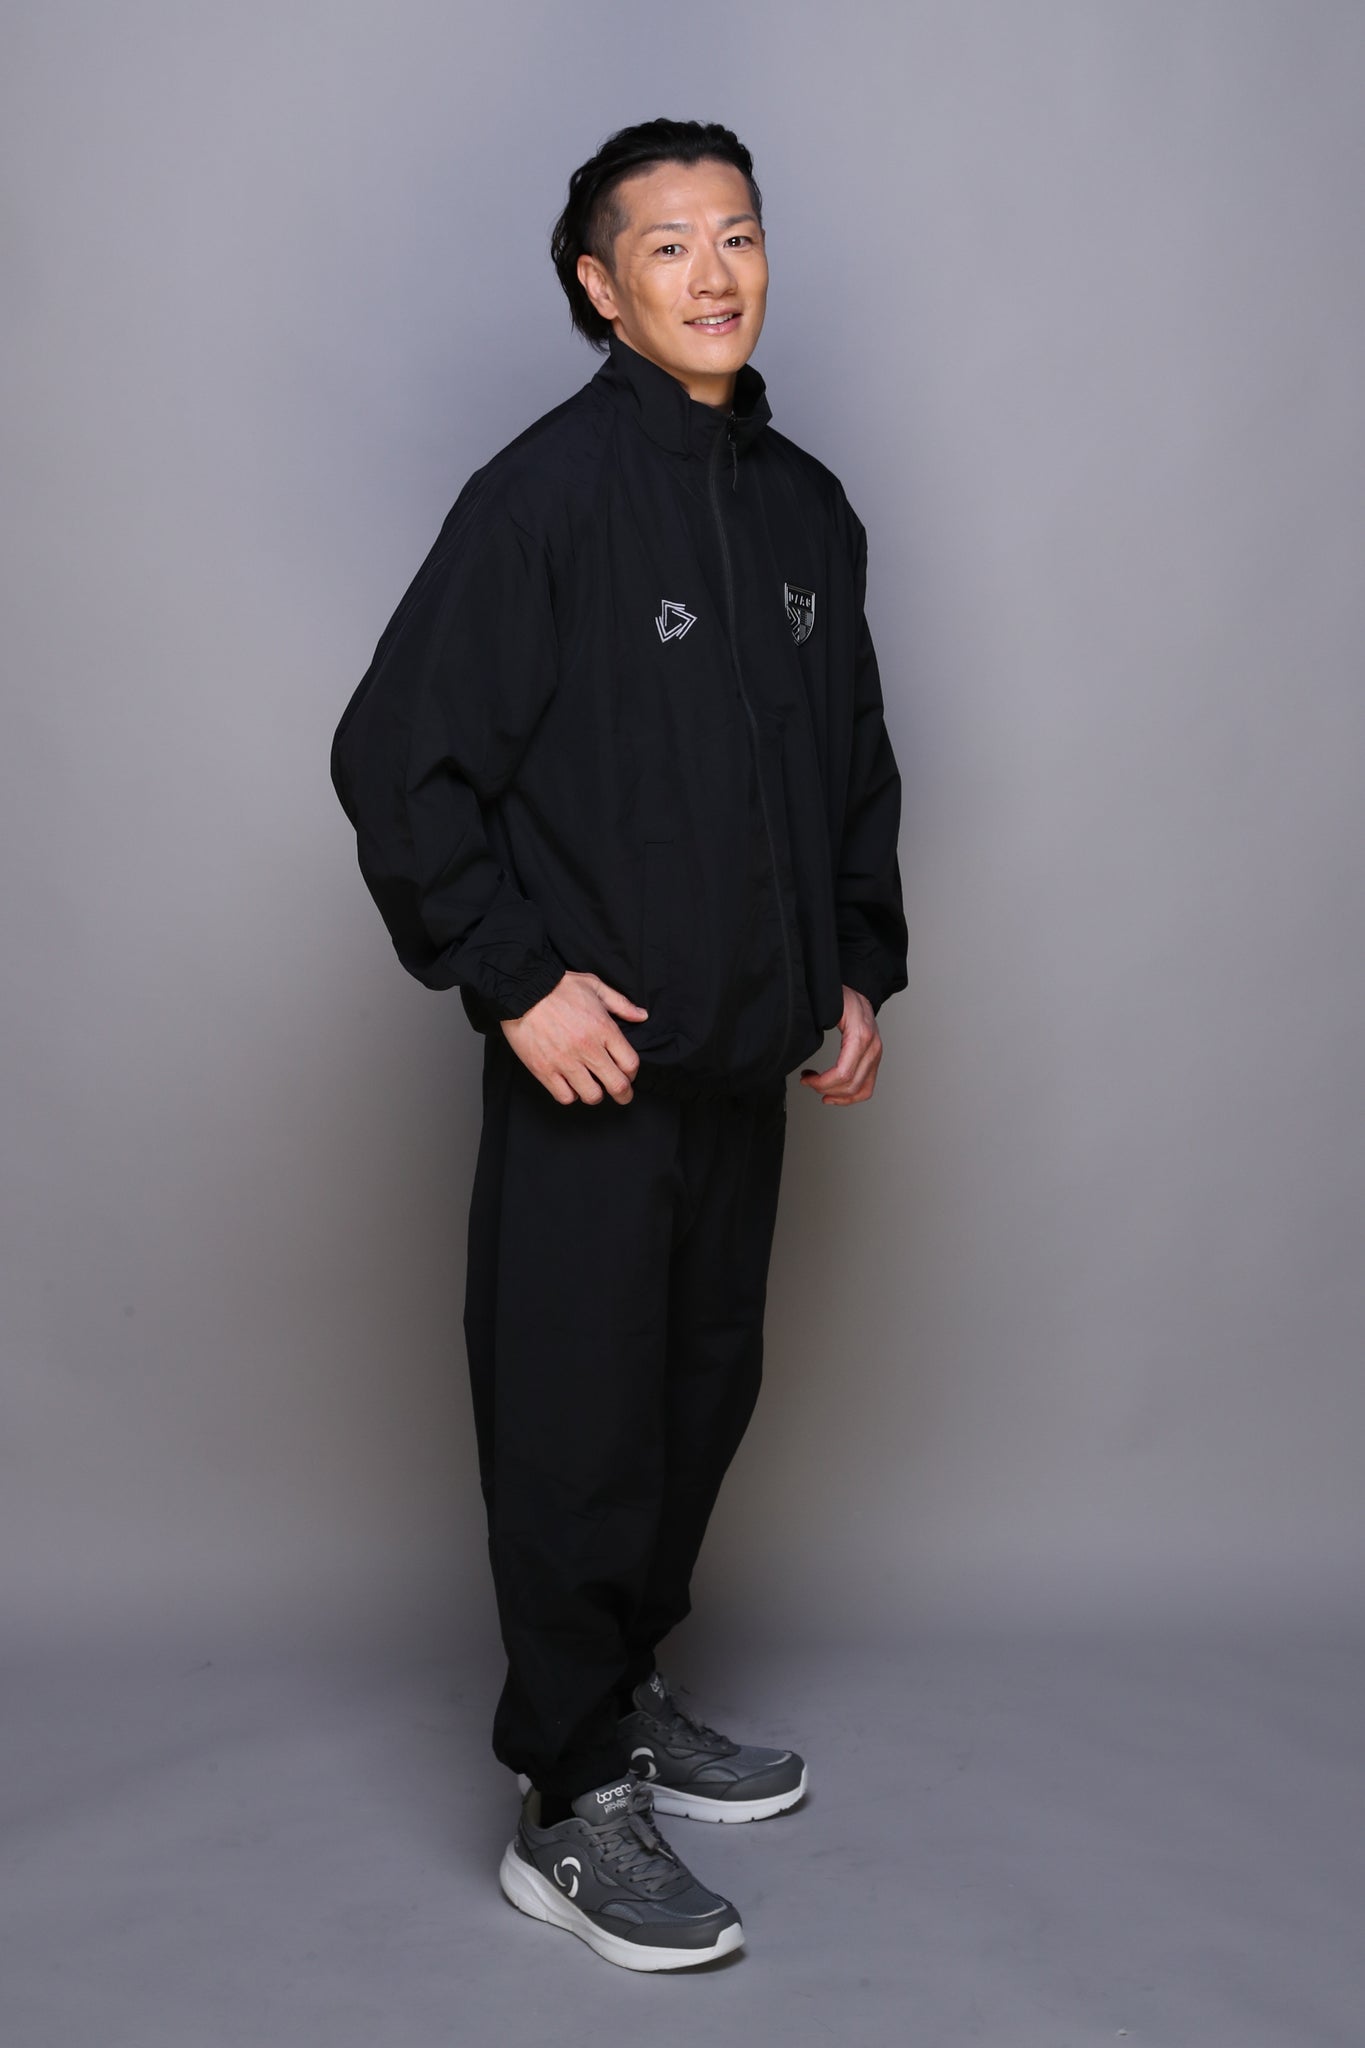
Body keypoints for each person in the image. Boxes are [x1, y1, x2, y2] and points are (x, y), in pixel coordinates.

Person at [329, 116, 908, 1972]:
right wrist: (514, 981)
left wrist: (854, 968)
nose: (713, 273)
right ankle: (566, 1798)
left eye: (738, 234)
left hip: (746, 1059)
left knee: (695, 1398)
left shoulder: (806, 508)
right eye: (667, 246)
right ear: (599, 286)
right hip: (593, 1072)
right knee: (576, 1427)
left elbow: (851, 766)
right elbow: (396, 757)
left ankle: (628, 1692)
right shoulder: (548, 497)